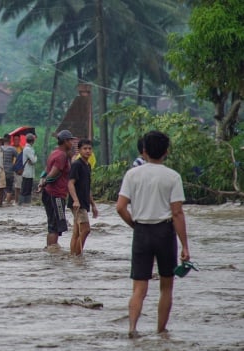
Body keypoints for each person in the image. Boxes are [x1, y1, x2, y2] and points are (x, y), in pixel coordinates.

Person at [115, 130, 190, 338]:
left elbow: (120, 207)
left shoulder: (132, 175)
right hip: (165, 233)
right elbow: (177, 213)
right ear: (166, 152)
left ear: (144, 150)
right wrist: (185, 246)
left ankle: (132, 328)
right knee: (166, 286)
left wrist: (135, 226)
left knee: (139, 288)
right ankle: (161, 330)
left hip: (141, 232)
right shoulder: (173, 176)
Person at [38, 129, 75, 251]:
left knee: (52, 225)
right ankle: (53, 252)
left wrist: (42, 181)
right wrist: (44, 183)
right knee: (55, 226)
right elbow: (54, 173)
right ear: (65, 141)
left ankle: (50, 250)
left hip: (49, 193)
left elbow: (46, 170)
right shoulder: (62, 155)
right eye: (70, 140)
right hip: (56, 195)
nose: (72, 142)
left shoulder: (55, 152)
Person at [67, 139, 99, 256]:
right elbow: (70, 183)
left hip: (84, 202)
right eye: (85, 149)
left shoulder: (88, 165)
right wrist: (75, 200)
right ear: (79, 150)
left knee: (76, 232)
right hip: (78, 203)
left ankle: (73, 257)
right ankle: (78, 256)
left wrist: (93, 205)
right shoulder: (77, 165)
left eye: (90, 149)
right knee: (86, 230)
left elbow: (87, 187)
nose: (87, 151)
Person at [1, 133, 19, 205]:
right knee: (9, 189)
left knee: (1, 188)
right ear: (10, 139)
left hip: (1, 170)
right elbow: (18, 159)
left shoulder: (0, 148)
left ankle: (0, 203)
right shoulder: (13, 149)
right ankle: (7, 204)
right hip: (9, 171)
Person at [20, 133, 37, 205]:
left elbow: (32, 161)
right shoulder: (28, 149)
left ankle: (25, 203)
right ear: (32, 141)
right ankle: (25, 203)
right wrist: (36, 157)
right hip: (28, 172)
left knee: (27, 188)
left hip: (29, 171)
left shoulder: (27, 148)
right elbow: (33, 160)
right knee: (26, 188)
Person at [11, 134, 24, 204]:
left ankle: (17, 200)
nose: (16, 141)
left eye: (18, 139)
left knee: (18, 186)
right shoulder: (11, 148)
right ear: (13, 140)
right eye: (15, 139)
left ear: (19, 140)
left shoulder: (21, 149)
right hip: (10, 168)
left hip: (18, 169)